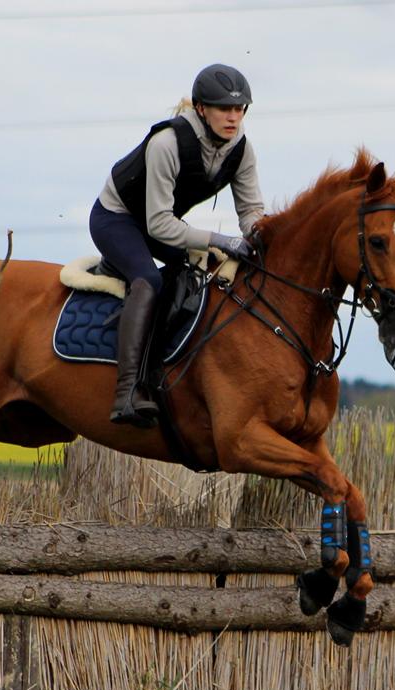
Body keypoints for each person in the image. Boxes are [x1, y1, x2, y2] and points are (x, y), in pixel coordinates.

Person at [91, 63, 265, 428]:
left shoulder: (241, 148)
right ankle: (126, 393)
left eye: (239, 109)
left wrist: (260, 236)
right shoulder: (167, 143)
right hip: (118, 218)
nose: (233, 117)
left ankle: (164, 372)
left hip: (159, 222)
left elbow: (250, 211)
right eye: (224, 109)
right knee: (148, 281)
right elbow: (159, 225)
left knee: (196, 275)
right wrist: (219, 239)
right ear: (202, 108)